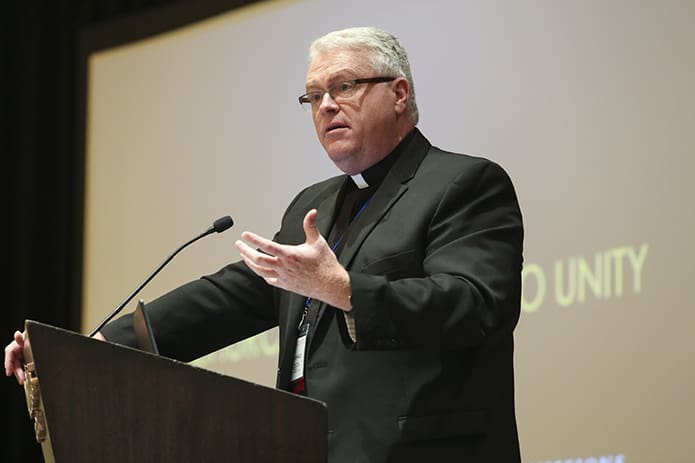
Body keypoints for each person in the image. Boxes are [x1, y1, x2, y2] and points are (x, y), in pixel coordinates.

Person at [6, 26, 524, 462]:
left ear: (400, 93)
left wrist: (346, 289)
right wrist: (85, 351)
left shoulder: (464, 183)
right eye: (313, 96)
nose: (325, 107)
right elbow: (230, 298)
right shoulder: (314, 203)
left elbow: (476, 304)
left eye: (344, 87)